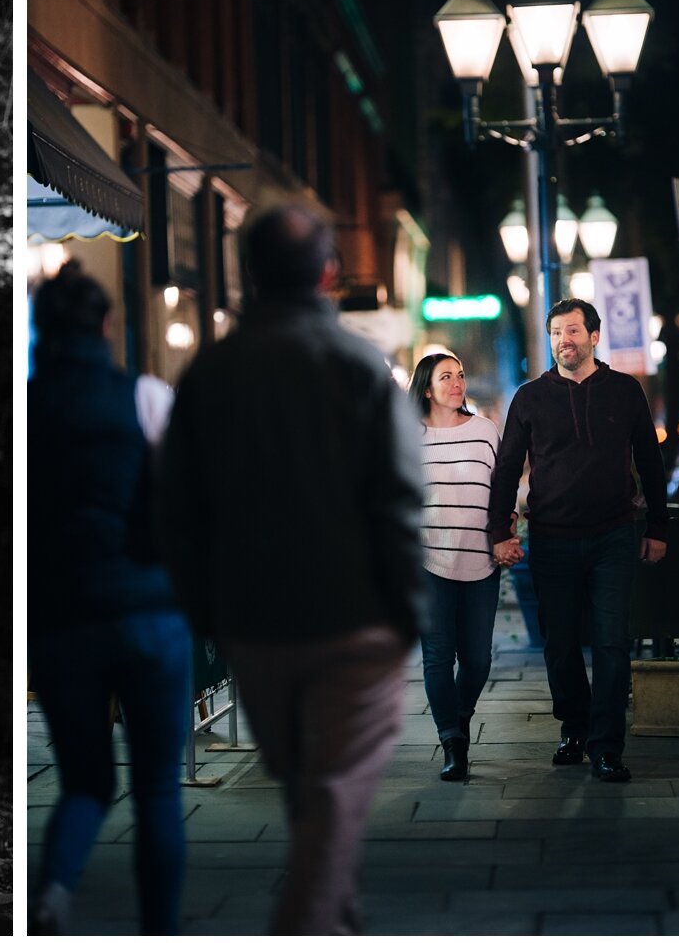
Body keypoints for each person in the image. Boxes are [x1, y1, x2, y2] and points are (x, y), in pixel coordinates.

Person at [159, 204, 427, 935]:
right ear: (330, 274)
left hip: (255, 624)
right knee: (332, 801)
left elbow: (176, 511)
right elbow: (402, 498)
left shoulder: (210, 373)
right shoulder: (357, 367)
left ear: (248, 273)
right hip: (355, 620)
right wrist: (408, 614)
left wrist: (208, 614)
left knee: (313, 805)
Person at [27, 261, 191, 935]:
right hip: (150, 613)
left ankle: (52, 896)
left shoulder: (28, 406)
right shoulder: (146, 398)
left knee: (86, 783)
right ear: (106, 325)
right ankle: (159, 926)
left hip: (64, 622)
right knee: (156, 788)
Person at [487, 298, 668, 783]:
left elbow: (650, 462)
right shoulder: (529, 397)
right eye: (556, 332)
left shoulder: (625, 391)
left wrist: (658, 527)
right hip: (551, 538)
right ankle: (574, 726)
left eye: (572, 331)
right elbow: (506, 468)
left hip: (613, 535)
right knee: (560, 644)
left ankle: (606, 745)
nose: (563, 340)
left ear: (593, 336)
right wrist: (498, 531)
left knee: (611, 643)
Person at [408, 351, 503, 782]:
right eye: (446, 377)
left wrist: (509, 529)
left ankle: (460, 717)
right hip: (428, 561)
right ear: (427, 389)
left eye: (461, 375)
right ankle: (452, 742)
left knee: (479, 659)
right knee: (437, 657)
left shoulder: (485, 431)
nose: (457, 383)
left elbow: (500, 495)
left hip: (481, 560)